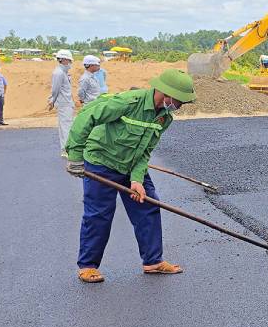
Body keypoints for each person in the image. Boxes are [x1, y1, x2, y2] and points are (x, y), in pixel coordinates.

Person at [64, 69, 196, 284]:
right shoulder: (128, 102)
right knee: (99, 214)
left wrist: (137, 180)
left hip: (131, 164)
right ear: (166, 93)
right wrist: (76, 156)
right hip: (101, 161)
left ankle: (153, 261)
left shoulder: (164, 117)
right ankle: (88, 266)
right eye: (179, 101)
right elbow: (87, 115)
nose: (180, 106)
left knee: (148, 205)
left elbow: (145, 150)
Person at [49, 49, 76, 155]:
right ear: (63, 60)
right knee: (65, 127)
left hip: (67, 103)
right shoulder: (59, 73)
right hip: (64, 104)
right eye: (69, 61)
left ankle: (67, 148)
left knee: (67, 125)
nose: (70, 63)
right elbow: (55, 89)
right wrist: (52, 100)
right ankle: (65, 149)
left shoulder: (63, 72)